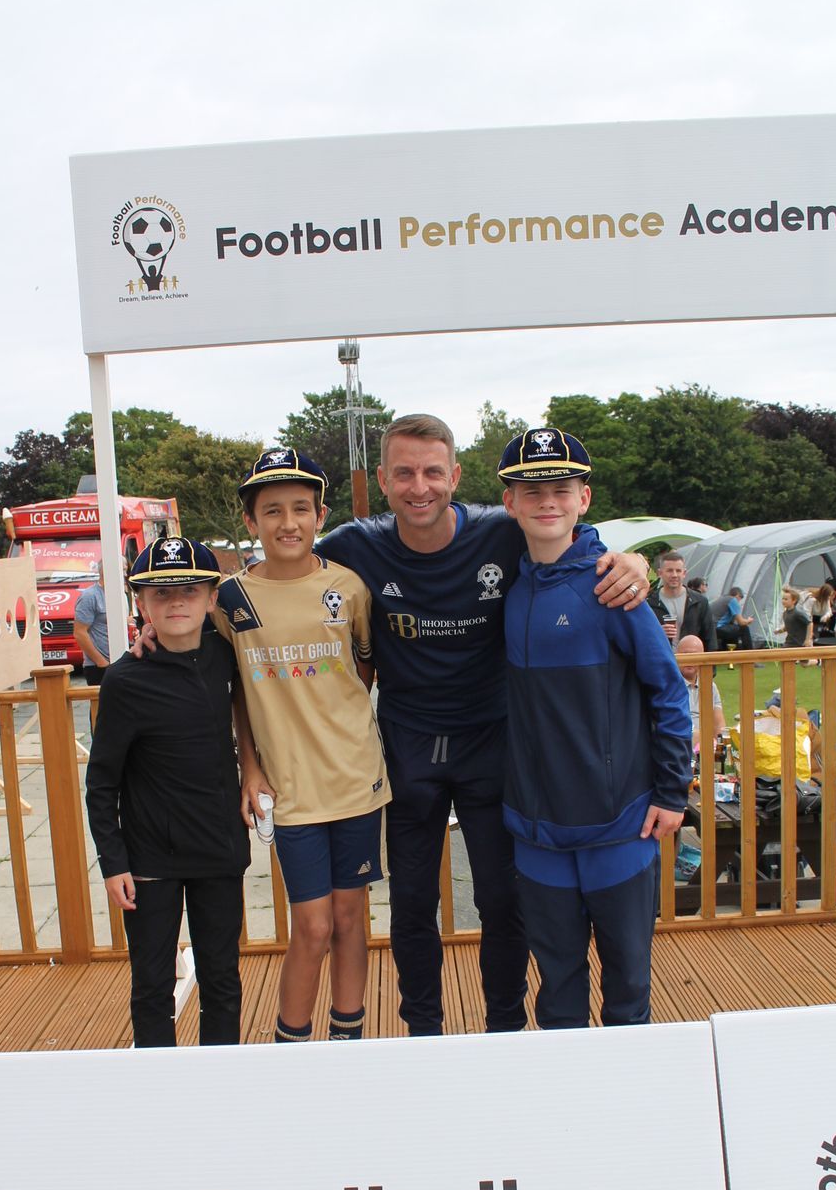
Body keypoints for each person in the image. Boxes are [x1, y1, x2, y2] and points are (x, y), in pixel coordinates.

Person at [317, 413, 650, 1037]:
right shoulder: (354, 545)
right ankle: (423, 1029)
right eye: (404, 474)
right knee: (413, 903)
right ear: (383, 481)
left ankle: (504, 1027)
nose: (420, 487)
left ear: (456, 475)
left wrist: (631, 559)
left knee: (501, 898)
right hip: (408, 747)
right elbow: (279, 574)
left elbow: (567, 529)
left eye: (433, 472)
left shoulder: (499, 532)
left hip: (493, 744)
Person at [497, 429, 691, 1029]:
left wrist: (672, 793)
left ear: (584, 499)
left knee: (628, 984)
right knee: (557, 987)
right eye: (532, 491)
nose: (546, 502)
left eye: (561, 489)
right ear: (509, 503)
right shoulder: (508, 587)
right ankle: (569, 1089)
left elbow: (668, 691)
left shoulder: (614, 588)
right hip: (537, 832)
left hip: (619, 828)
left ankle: (629, 1090)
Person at [214, 448, 391, 1044]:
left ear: (320, 515)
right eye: (271, 511)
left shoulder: (348, 587)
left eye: (299, 509)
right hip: (289, 788)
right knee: (311, 927)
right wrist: (250, 766)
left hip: (355, 778)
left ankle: (347, 1042)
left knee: (349, 919)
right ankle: (289, 1048)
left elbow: (363, 668)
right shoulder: (230, 600)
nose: (287, 523)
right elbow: (238, 690)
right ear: (251, 521)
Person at [85, 537, 250, 1047]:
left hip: (218, 848)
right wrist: (113, 863)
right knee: (153, 984)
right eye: (161, 593)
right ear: (141, 603)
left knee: (222, 980)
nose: (176, 602)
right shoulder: (124, 680)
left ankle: (219, 1078)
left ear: (211, 597)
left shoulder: (227, 656)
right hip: (150, 859)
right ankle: (157, 1082)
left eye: (189, 590)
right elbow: (101, 782)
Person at [648, 552, 718, 651]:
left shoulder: (699, 602)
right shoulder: (650, 603)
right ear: (660, 573)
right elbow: (640, 636)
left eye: (678, 571)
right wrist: (657, 633)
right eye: (669, 571)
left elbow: (710, 638)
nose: (674, 575)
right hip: (662, 657)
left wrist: (710, 660)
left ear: (684, 573)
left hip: (691, 659)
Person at [676, 635, 726, 757]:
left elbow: (719, 725)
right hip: (682, 746)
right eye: (685, 655)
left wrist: (720, 747)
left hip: (708, 746)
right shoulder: (671, 686)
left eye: (694, 655)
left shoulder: (710, 686)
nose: (690, 660)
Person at [73, 563, 110, 684]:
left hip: (120, 661)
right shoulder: (90, 596)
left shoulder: (121, 595)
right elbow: (79, 633)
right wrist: (101, 662)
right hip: (99, 667)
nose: (125, 574)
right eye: (123, 570)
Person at [715, 587, 755, 651]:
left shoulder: (722, 599)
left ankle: (727, 652)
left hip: (712, 629)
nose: (739, 601)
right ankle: (749, 653)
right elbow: (741, 622)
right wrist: (748, 620)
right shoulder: (732, 600)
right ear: (737, 595)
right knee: (744, 628)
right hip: (718, 628)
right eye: (740, 597)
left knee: (734, 630)